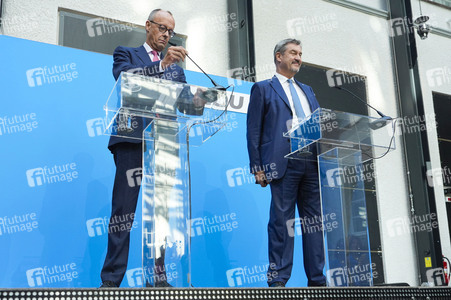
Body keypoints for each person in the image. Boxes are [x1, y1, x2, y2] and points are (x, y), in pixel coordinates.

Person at [100, 8, 205, 288]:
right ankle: (111, 280)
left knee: (161, 214)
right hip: (133, 140)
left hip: (165, 143)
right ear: (148, 26)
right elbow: (126, 81)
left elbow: (185, 105)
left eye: (171, 32)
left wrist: (202, 99)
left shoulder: (176, 70)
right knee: (123, 211)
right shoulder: (125, 53)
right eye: (162, 28)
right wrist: (160, 67)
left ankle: (157, 277)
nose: (166, 35)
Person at [246, 38, 326, 287]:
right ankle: (278, 280)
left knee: (314, 224)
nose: (298, 57)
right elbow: (253, 131)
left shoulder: (308, 90)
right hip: (282, 164)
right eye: (293, 53)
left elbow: (319, 124)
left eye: (300, 53)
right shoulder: (263, 88)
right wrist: (257, 167)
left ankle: (317, 280)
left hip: (312, 163)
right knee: (282, 223)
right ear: (278, 56)